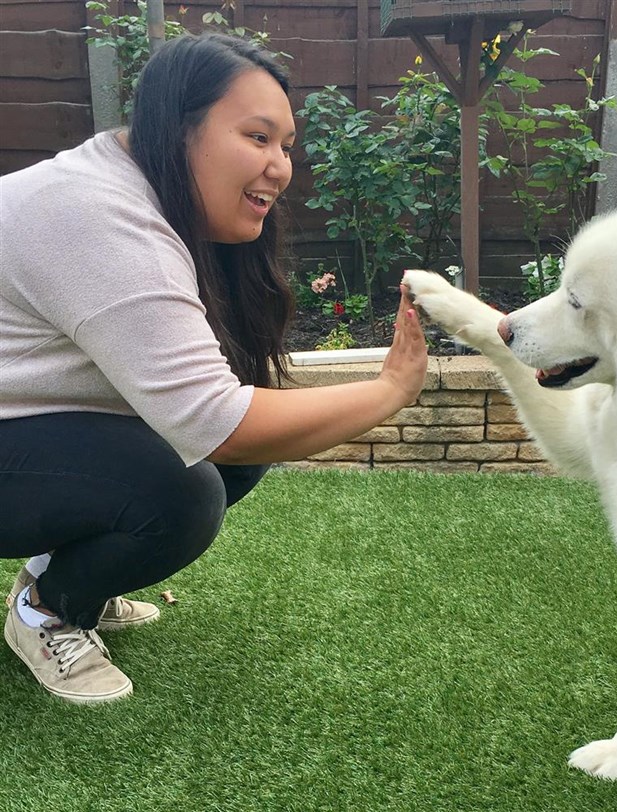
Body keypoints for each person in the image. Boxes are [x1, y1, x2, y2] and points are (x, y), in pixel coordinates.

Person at [0, 33, 428, 704]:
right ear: (179, 129)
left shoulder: (138, 191)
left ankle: (68, 575)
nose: (280, 168)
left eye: (286, 145)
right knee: (183, 491)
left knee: (231, 461)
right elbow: (219, 423)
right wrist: (392, 388)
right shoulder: (103, 219)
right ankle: (46, 610)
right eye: (258, 138)